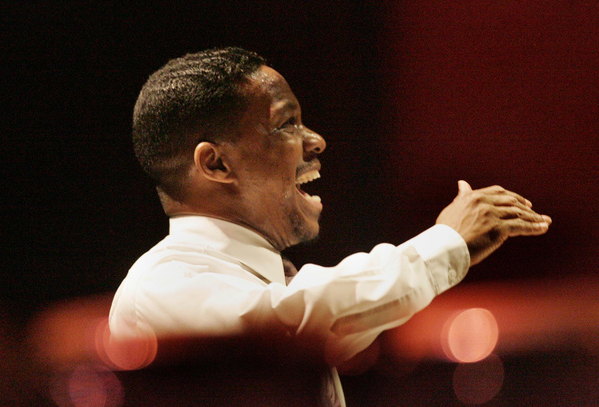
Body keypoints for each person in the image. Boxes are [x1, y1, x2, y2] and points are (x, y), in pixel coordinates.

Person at [109, 47, 551, 406]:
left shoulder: (261, 284)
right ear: (216, 163)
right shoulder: (160, 285)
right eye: (287, 124)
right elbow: (291, 325)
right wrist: (447, 243)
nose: (316, 141)